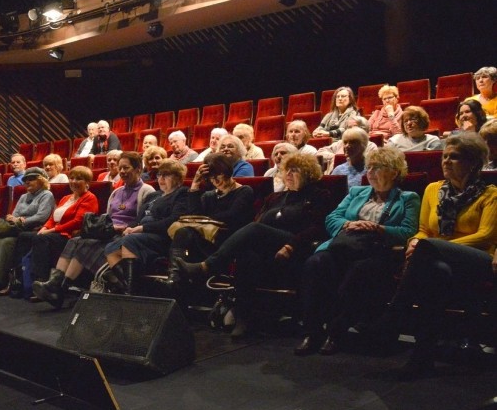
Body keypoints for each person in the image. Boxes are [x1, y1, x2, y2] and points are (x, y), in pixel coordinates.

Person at [380, 133, 496, 379]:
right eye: (444, 156)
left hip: (478, 260)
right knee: (435, 273)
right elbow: (423, 230)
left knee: (428, 254)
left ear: (474, 162)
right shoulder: (433, 190)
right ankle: (422, 359)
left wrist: (432, 246)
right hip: (436, 260)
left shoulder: (490, 194)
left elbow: (485, 236)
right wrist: (415, 242)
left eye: (454, 157)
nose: (446, 162)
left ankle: (394, 314)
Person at [176, 153, 331, 337]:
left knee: (254, 229)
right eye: (286, 170)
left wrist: (291, 245)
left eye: (295, 170)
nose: (288, 173)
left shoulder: (319, 195)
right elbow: (258, 220)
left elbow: (318, 227)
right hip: (267, 247)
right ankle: (243, 317)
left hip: (295, 245)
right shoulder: (275, 197)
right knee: (246, 254)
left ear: (308, 172)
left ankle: (207, 266)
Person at [296, 148, 419, 356]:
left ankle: (336, 332)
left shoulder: (408, 198)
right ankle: (312, 332)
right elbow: (331, 218)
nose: (369, 172)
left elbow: (408, 231)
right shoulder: (356, 193)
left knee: (359, 271)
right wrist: (349, 224)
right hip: (345, 245)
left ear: (394, 172)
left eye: (376, 168)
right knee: (315, 263)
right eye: (368, 167)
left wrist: (378, 229)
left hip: (377, 251)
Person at [32, 152, 156, 309]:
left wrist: (124, 228)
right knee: (74, 240)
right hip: (109, 231)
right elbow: (108, 216)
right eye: (120, 168)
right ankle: (55, 284)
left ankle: (60, 290)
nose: (122, 171)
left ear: (138, 169)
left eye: (126, 168)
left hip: (126, 234)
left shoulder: (147, 190)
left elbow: (142, 219)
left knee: (84, 243)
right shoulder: (116, 192)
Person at [160, 152, 255, 286]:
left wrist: (204, 218)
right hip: (206, 239)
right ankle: (174, 277)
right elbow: (193, 216)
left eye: (218, 176)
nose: (215, 181)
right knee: (183, 232)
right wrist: (195, 184)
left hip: (228, 239)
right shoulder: (209, 195)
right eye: (211, 178)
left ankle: (177, 278)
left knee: (187, 234)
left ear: (227, 172)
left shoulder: (244, 191)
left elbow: (232, 216)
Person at [102, 159, 188, 294]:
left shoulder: (181, 194)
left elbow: (173, 220)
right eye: (159, 175)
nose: (161, 179)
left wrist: (140, 229)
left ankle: (130, 291)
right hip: (141, 233)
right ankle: (129, 287)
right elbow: (138, 218)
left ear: (177, 178)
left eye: (166, 175)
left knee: (129, 241)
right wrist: (129, 228)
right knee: (110, 248)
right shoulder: (154, 195)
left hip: (161, 236)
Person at [23, 166, 98, 290]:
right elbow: (53, 217)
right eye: (71, 178)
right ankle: (20, 279)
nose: (73, 181)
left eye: (78, 179)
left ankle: (42, 280)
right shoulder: (66, 198)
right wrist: (45, 227)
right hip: (56, 232)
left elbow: (78, 221)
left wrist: (52, 230)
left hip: (69, 234)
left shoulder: (89, 198)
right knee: (24, 236)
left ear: (87, 182)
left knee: (41, 239)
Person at [0, 167, 54, 292]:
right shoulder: (23, 196)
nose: (27, 182)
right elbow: (13, 215)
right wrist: (16, 220)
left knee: (6, 243)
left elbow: (41, 216)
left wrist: (21, 220)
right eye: (26, 180)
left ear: (41, 181)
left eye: (31, 179)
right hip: (18, 229)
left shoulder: (46, 195)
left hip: (33, 230)